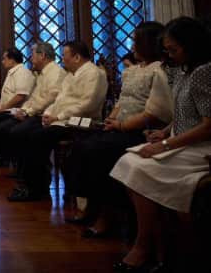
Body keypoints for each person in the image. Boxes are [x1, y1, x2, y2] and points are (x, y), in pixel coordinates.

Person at [110, 17, 211, 272]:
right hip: (181, 140)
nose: (168, 55)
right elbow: (186, 112)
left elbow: (208, 125)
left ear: (191, 45)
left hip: (201, 146)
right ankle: (154, 239)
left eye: (173, 49)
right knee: (128, 161)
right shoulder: (183, 70)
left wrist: (166, 144)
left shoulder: (203, 71)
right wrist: (164, 132)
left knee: (140, 168)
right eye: (166, 50)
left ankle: (146, 245)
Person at [64, 22, 173, 238]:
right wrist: (112, 119)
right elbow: (121, 102)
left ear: (148, 43)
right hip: (120, 127)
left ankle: (108, 215)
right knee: (80, 147)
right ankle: (92, 206)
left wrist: (122, 125)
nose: (132, 46)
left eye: (136, 41)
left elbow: (155, 112)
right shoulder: (133, 71)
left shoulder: (159, 70)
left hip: (142, 131)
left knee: (98, 153)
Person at [7, 40, 108, 202]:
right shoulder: (70, 74)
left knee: (36, 137)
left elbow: (87, 104)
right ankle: (30, 183)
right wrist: (49, 114)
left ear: (76, 57)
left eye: (64, 55)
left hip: (80, 122)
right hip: (61, 119)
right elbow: (58, 100)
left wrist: (58, 116)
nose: (62, 59)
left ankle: (35, 188)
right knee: (28, 133)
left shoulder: (95, 74)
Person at [0, 42, 66, 168]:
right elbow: (33, 97)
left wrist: (28, 112)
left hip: (45, 115)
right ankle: (17, 165)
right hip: (35, 112)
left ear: (42, 55)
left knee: (18, 131)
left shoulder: (56, 73)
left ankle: (27, 169)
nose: (31, 59)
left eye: (33, 55)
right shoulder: (42, 73)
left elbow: (49, 99)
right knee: (5, 126)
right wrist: (24, 110)